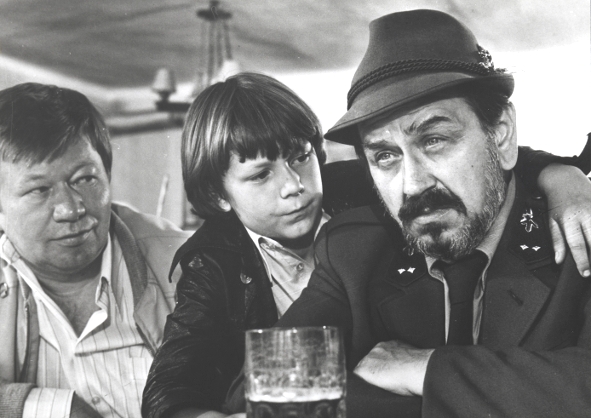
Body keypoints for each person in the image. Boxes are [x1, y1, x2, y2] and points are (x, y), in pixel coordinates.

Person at [144, 72, 591, 418]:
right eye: (260, 175)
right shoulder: (222, 260)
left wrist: (563, 176)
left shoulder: (362, 192)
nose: (293, 186)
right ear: (220, 195)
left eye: (301, 157)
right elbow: (251, 389)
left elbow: (492, 161)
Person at [0, 83, 191, 418]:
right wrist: (54, 408)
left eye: (84, 179)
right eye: (40, 189)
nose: (71, 209)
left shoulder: (187, 263)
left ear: (108, 174)